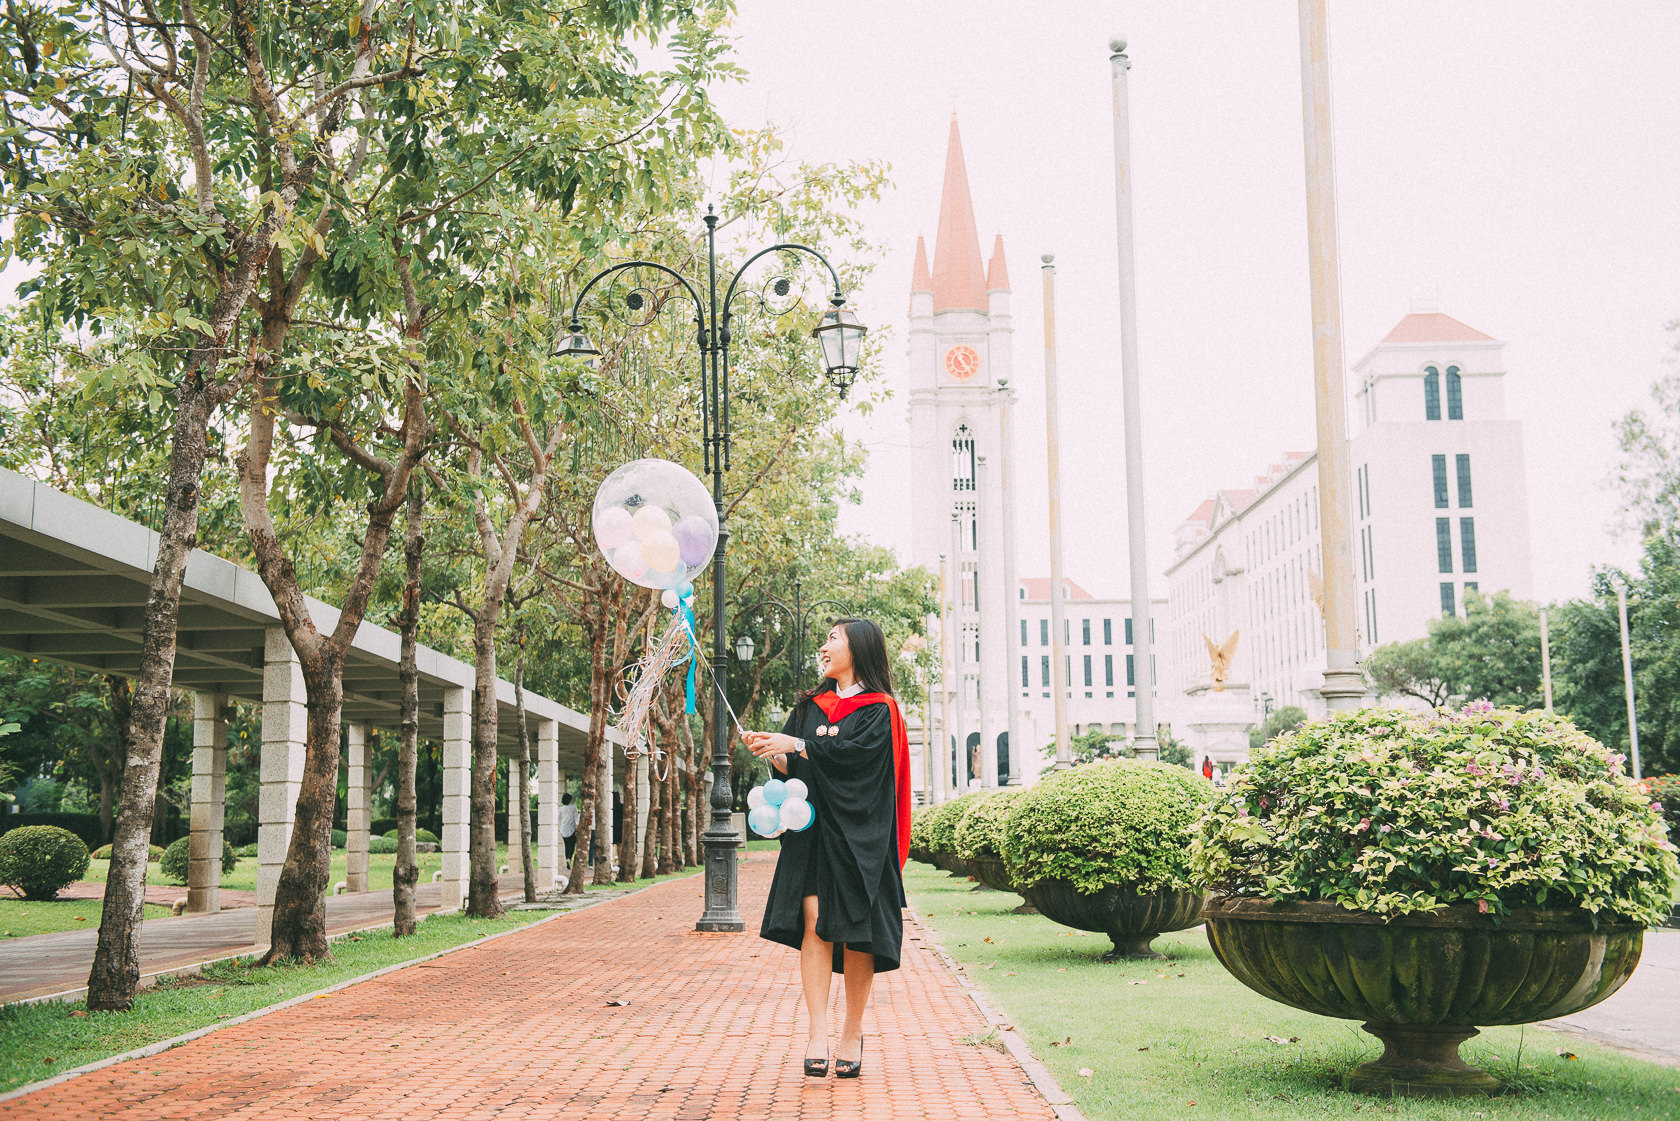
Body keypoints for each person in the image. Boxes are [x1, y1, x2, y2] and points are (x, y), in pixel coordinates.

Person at [745, 618, 911, 1082]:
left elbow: (858, 760)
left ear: (858, 648)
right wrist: (771, 751)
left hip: (860, 837)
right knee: (815, 922)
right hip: (814, 833)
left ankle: (851, 1032)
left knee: (857, 930)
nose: (824, 646)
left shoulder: (880, 710)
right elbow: (795, 768)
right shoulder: (809, 707)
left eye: (833, 638)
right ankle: (817, 1032)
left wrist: (797, 744)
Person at [559, 793, 578, 862]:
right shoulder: (574, 807)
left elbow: (558, 818)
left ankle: (567, 859)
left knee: (566, 846)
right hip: (572, 829)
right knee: (572, 846)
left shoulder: (561, 809)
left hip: (563, 829)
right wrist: (577, 830)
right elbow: (576, 819)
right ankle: (569, 858)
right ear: (570, 800)